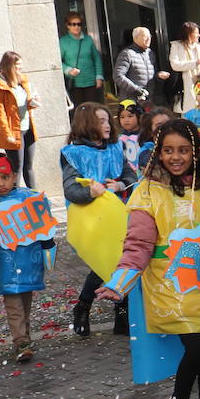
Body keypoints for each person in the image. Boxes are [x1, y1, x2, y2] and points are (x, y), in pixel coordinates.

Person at [96, 119, 200, 399]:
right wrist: (121, 282)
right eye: (168, 150)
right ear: (158, 152)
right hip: (171, 286)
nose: (176, 157)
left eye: (183, 150)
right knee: (199, 349)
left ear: (195, 152)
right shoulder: (148, 191)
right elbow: (138, 243)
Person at [62, 103, 135, 337]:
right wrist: (89, 193)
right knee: (103, 264)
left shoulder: (115, 147)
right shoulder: (72, 153)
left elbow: (130, 174)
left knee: (120, 261)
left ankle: (121, 313)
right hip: (92, 219)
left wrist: (121, 184)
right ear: (87, 124)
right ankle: (83, 307)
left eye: (107, 120)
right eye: (100, 121)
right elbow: (70, 189)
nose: (106, 125)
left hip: (118, 214)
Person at [0, 154, 53, 362]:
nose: (1, 183)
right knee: (13, 302)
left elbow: (44, 225)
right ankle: (21, 340)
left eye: (5, 177)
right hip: (2, 262)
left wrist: (48, 249)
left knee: (25, 298)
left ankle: (24, 335)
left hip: (28, 259)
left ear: (14, 175)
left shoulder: (28, 197)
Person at [0, 50, 39, 189]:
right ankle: (15, 200)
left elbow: (25, 102)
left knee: (29, 167)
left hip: (27, 127)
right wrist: (7, 134)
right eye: (17, 65)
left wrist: (32, 102)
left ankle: (34, 197)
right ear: (9, 65)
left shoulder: (22, 80)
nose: (20, 68)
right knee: (16, 168)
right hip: (13, 132)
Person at [59, 12, 105, 109]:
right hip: (74, 83)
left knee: (92, 109)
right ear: (67, 25)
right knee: (78, 110)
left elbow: (96, 59)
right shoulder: (63, 42)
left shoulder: (88, 40)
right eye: (73, 24)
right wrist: (68, 70)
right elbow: (58, 61)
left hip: (91, 81)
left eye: (79, 24)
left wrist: (99, 77)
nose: (76, 27)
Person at [113, 27, 171, 103]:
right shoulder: (127, 54)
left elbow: (151, 75)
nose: (148, 39)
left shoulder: (150, 54)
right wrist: (137, 90)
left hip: (149, 100)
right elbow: (118, 76)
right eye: (145, 36)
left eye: (149, 36)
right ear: (135, 38)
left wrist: (158, 76)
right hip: (132, 100)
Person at [169, 22, 200, 114]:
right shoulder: (176, 46)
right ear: (189, 34)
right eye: (196, 33)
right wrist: (194, 63)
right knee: (188, 114)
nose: (199, 35)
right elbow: (175, 65)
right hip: (185, 83)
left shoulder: (199, 47)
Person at [116, 100, 143, 171]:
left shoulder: (145, 136)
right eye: (122, 117)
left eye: (130, 116)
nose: (126, 120)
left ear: (139, 116)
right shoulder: (119, 139)